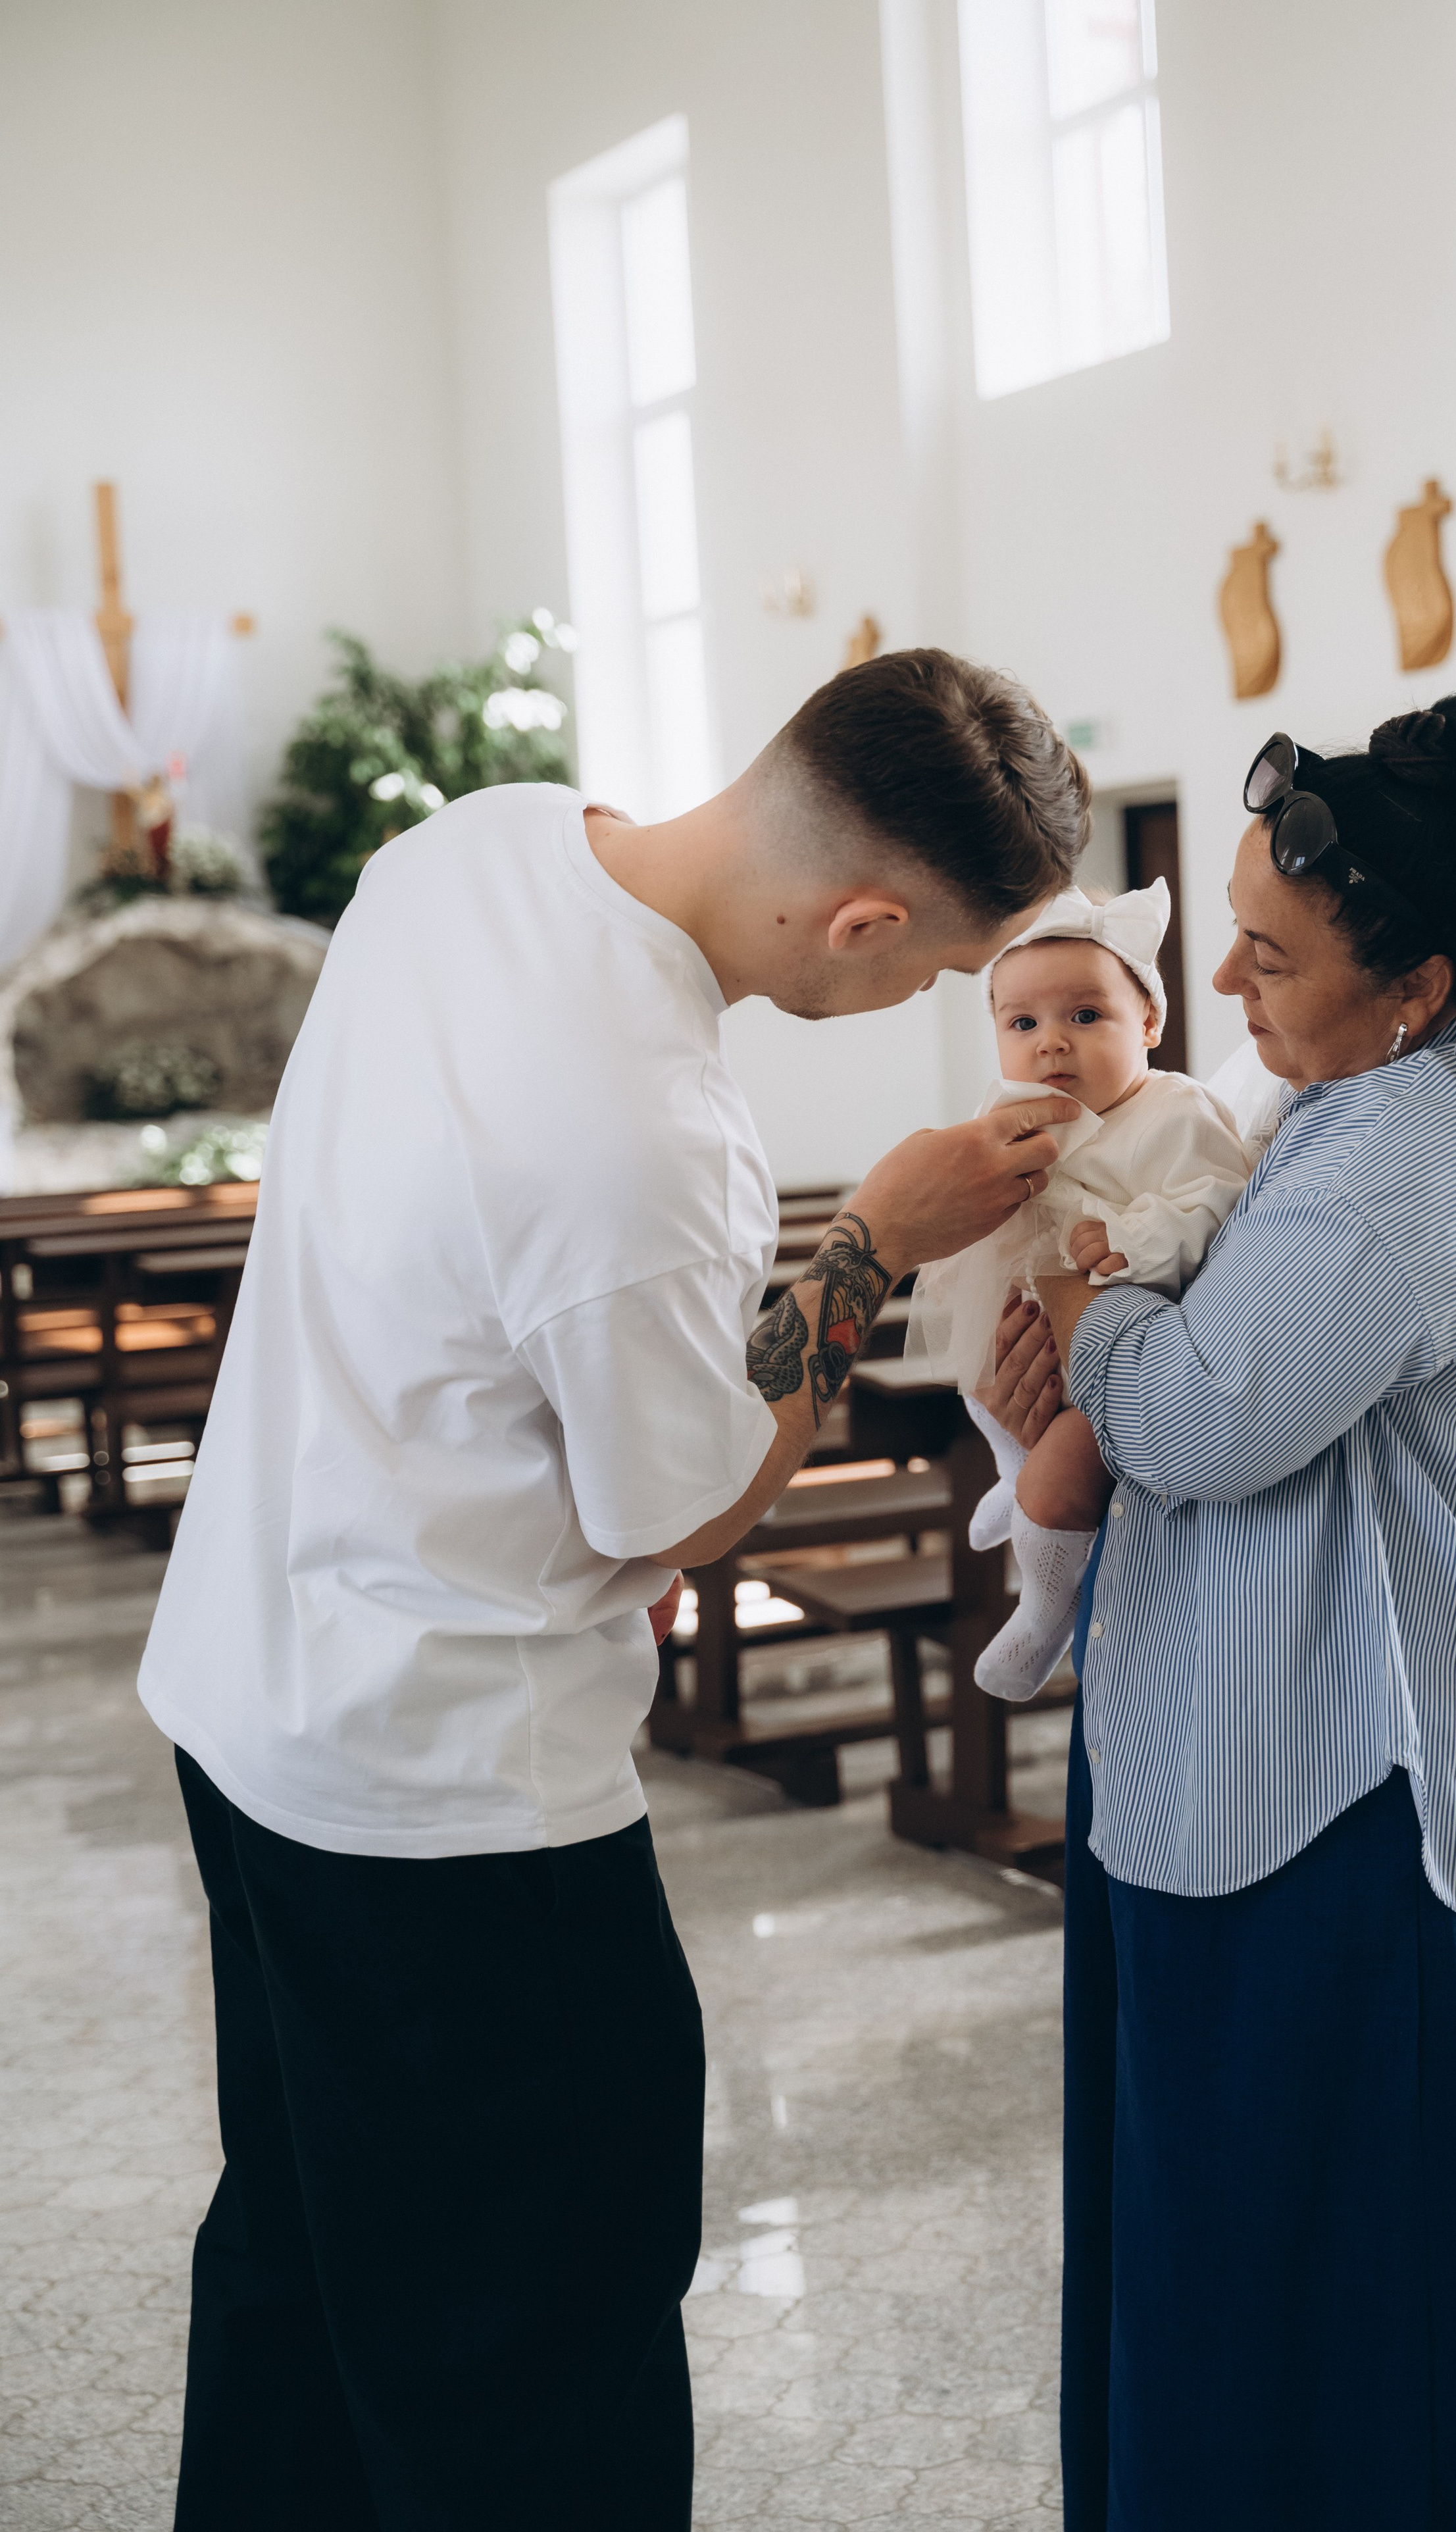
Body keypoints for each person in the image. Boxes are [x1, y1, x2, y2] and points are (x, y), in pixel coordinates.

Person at [137, 647, 1090, 2531]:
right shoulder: (648, 1132)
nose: (914, 998)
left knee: (304, 2265)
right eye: (931, 969)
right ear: (868, 913)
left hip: (250, 1686)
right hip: (451, 1800)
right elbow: (685, 1516)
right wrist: (870, 1248)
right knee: (534, 2343)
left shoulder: (471, 850)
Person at [986, 695, 1456, 2532]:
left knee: (1340, 2342)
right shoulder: (1377, 1099)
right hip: (1274, 1778)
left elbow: (1198, 1416)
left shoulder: (1414, 1156)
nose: (1239, 993)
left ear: (1420, 981)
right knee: (1229, 2298)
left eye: (1274, 960)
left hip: (1353, 1816)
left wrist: (1097, 1308)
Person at [909, 880, 1249, 1698]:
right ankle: (1008, 1470)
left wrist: (1131, 1238)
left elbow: (1215, 1202)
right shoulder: (1021, 1111)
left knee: (1061, 1476)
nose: (1051, 1044)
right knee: (980, 1375)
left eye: (1085, 1016)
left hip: (1124, 1358)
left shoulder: (1178, 1112)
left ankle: (1045, 1605)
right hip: (1036, 1310)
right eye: (1022, 1024)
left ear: (1150, 1023)